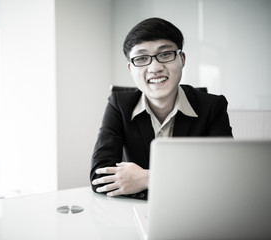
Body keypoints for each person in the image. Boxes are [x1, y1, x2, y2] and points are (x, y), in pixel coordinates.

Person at [90, 17, 233, 200]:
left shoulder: (213, 107)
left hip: (194, 209)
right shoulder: (119, 105)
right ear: (130, 69)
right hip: (133, 213)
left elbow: (224, 175)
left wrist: (146, 178)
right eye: (141, 58)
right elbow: (100, 178)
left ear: (182, 59)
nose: (155, 67)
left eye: (165, 54)